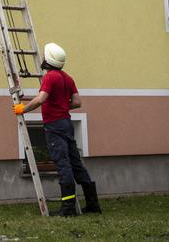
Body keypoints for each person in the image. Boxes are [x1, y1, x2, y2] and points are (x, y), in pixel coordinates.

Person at [13, 43, 102, 217]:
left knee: (63, 164)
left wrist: (22, 109)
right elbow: (77, 102)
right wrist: (62, 105)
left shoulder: (50, 77)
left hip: (54, 125)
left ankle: (68, 209)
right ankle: (93, 204)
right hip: (66, 124)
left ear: (48, 60)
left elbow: (40, 99)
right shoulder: (68, 78)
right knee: (76, 164)